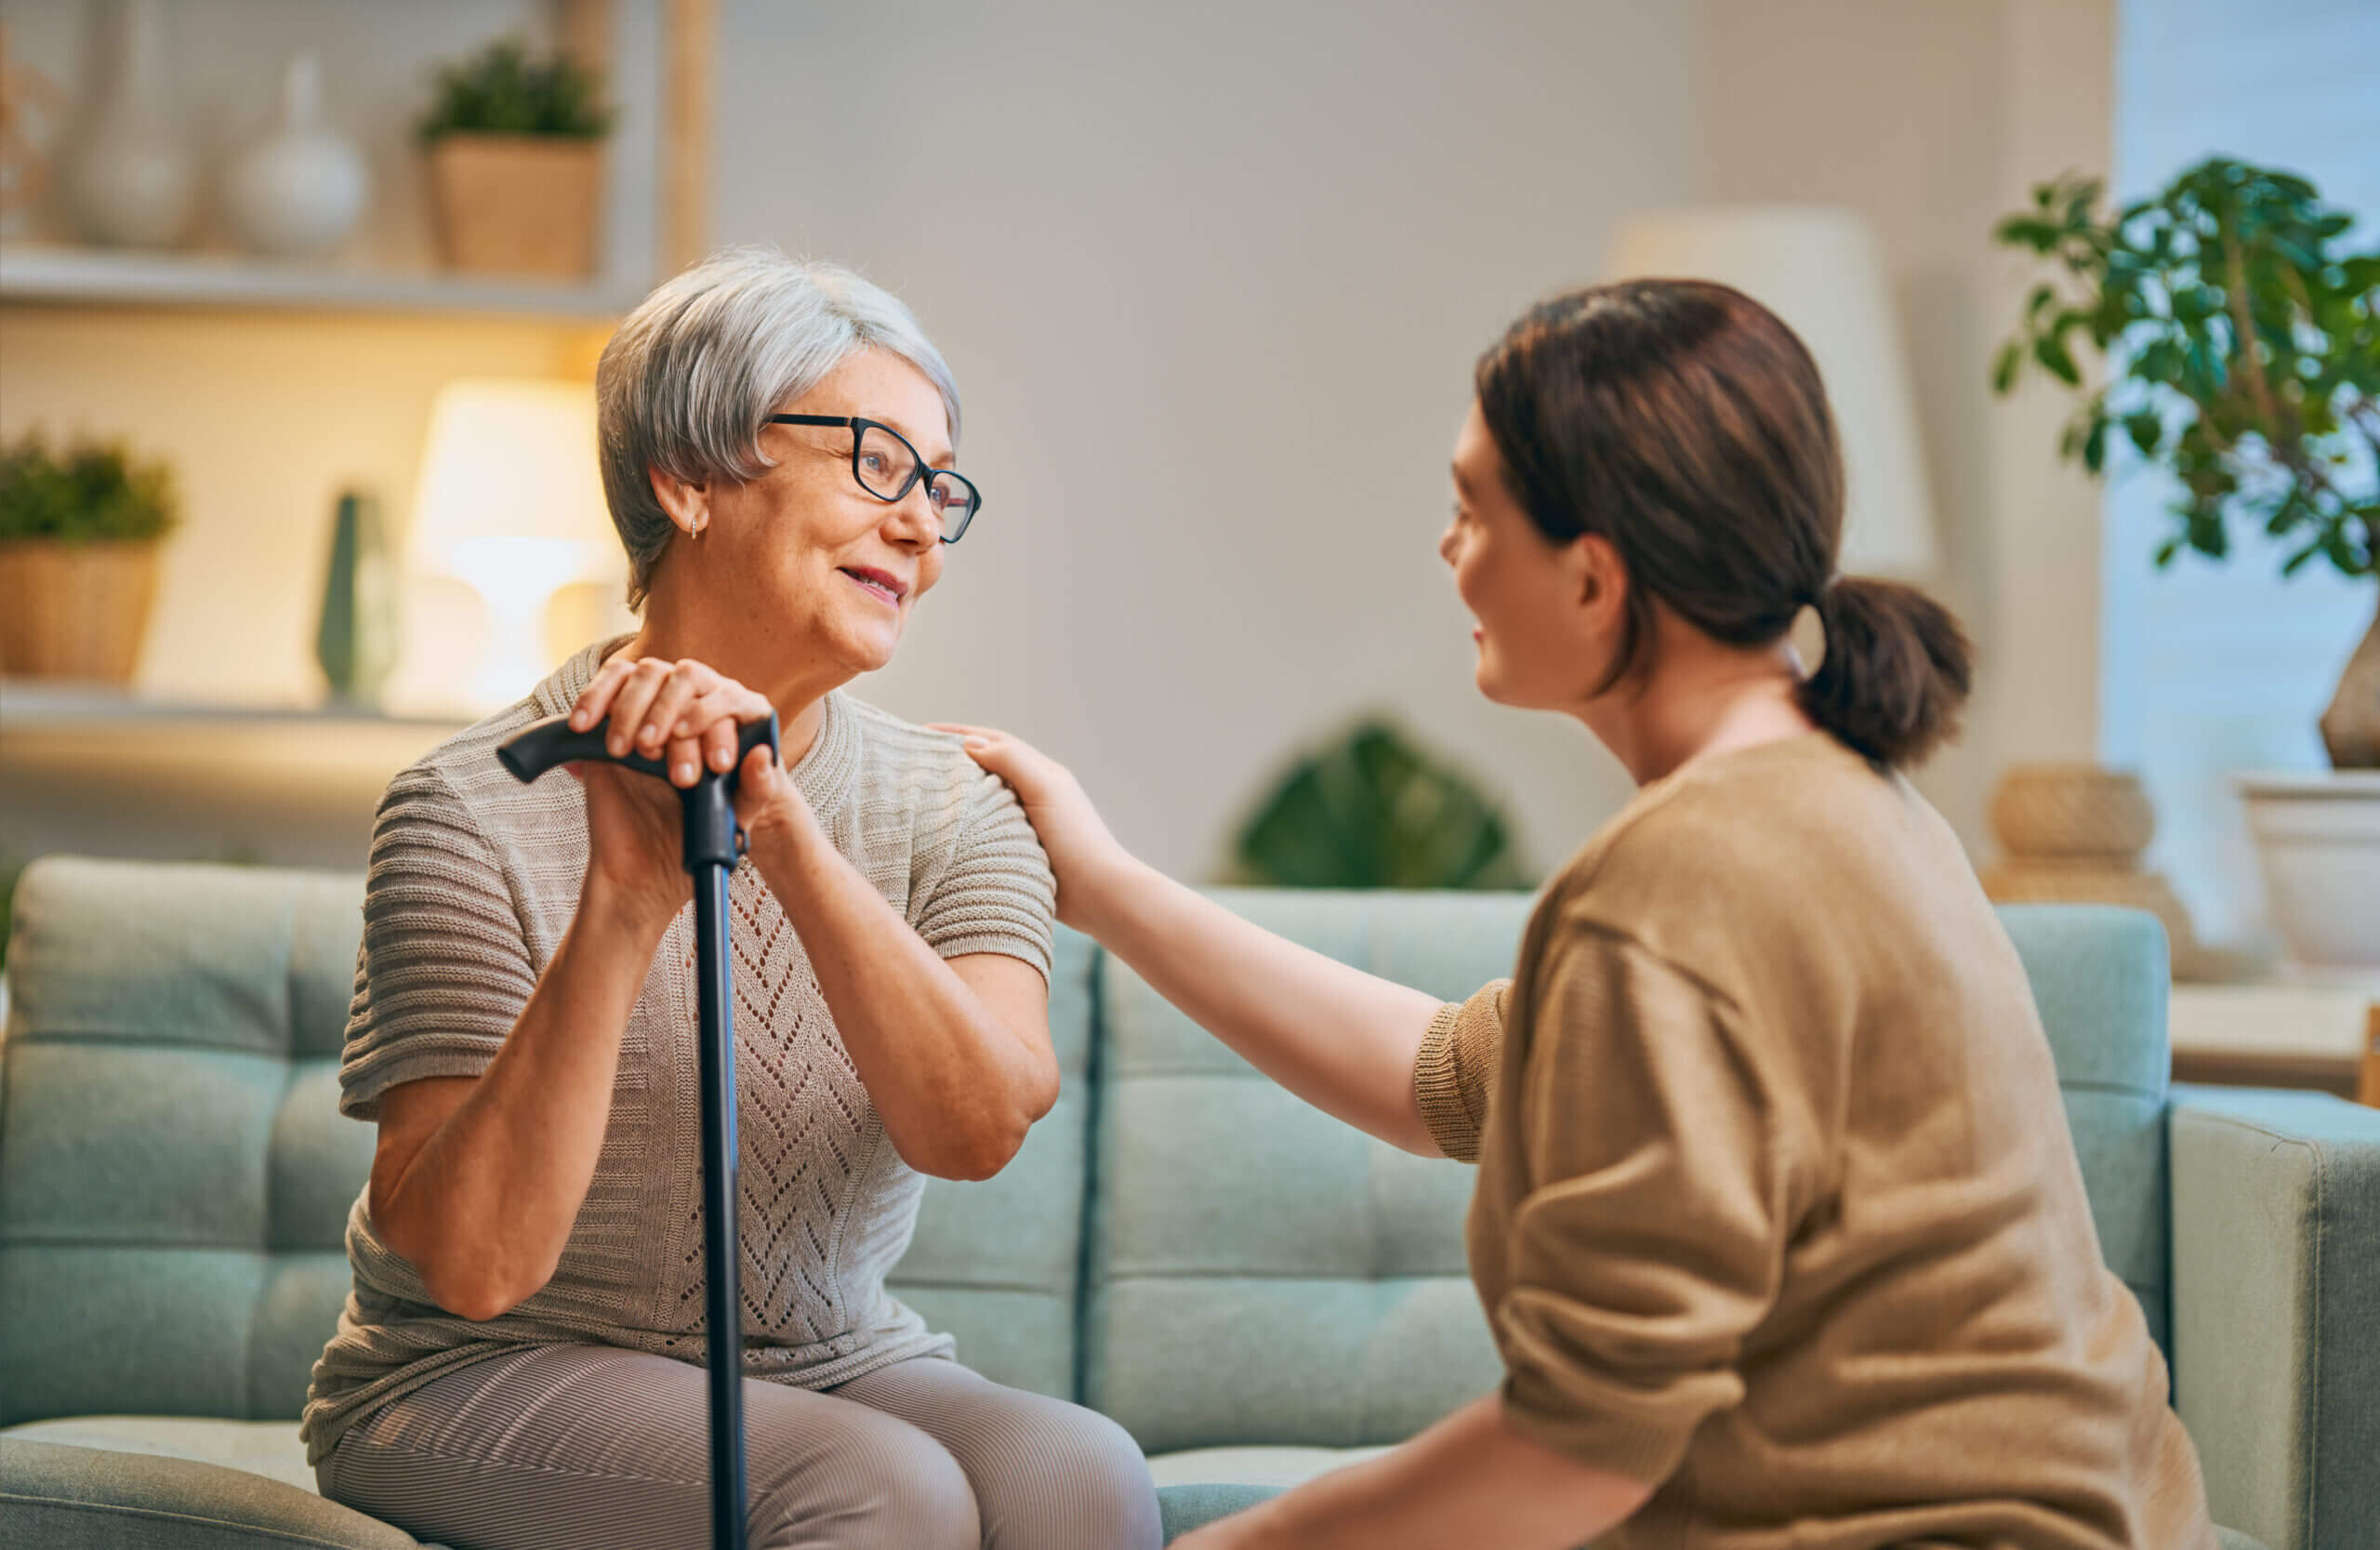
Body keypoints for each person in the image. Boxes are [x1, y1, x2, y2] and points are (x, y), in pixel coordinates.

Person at [943, 279, 2217, 1549]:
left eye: (1470, 509)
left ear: (1595, 579)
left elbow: (1576, 1453)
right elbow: (1443, 1073)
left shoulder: (1685, 880)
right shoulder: (1843, 802)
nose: (1449, 551)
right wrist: (1102, 884)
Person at [300, 247, 1160, 1550]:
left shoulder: (955, 804)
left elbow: (977, 1125)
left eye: (939, 488)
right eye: (876, 462)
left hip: (830, 1359)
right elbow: (473, 1269)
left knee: (1082, 1475)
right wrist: (625, 899)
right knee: (882, 1489)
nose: (922, 525)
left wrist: (785, 832)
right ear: (688, 477)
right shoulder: (465, 806)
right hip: (478, 1374)